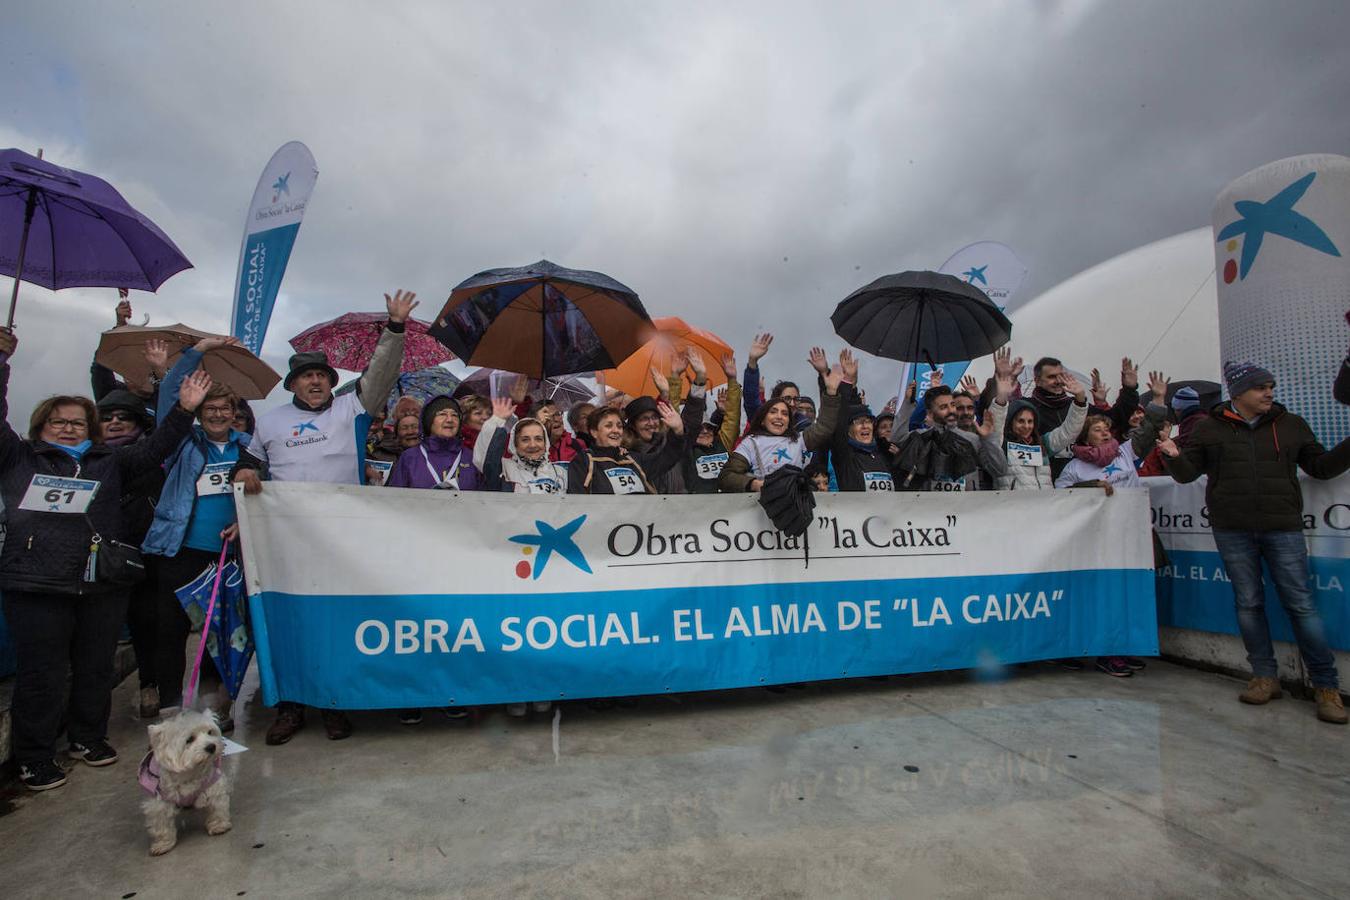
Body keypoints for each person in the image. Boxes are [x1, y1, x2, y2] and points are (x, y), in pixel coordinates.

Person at [0, 328, 209, 792]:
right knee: (43, 672)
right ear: (39, 427)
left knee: (94, 666)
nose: (69, 427)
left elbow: (157, 448)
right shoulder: (18, 459)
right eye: (58, 421)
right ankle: (34, 758)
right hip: (37, 584)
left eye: (77, 421)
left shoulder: (108, 463)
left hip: (100, 583)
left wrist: (184, 409)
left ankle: (87, 738)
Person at [233, 288, 415, 745]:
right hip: (286, 541)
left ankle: (336, 703)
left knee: (338, 621)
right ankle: (291, 705)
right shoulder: (269, 421)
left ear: (332, 382)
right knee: (290, 620)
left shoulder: (352, 409)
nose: (314, 382)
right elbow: (250, 466)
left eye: (321, 375)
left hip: (342, 541)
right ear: (292, 385)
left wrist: (394, 329)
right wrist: (243, 472)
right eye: (305, 376)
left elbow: (381, 374)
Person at [1158, 360, 1350, 724]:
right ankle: (1264, 675)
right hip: (1232, 530)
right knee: (1248, 603)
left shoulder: (1291, 425)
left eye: (1271, 386)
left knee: (1302, 605)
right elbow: (1186, 476)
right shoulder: (1211, 429)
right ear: (1238, 392)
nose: (1269, 392)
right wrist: (1172, 455)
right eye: (1260, 387)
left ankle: (1326, 685)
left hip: (1284, 528)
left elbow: (1320, 467)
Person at [141, 336, 249, 731]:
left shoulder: (249, 447)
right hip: (179, 551)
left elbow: (261, 493)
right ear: (200, 412)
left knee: (218, 631)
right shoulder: (180, 444)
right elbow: (171, 397)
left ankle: (212, 705)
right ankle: (171, 707)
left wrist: (246, 521)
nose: (218, 414)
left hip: (227, 556)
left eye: (225, 408)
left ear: (235, 413)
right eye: (210, 408)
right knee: (170, 629)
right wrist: (197, 351)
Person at [1055, 370, 1168, 679]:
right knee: (1103, 596)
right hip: (1097, 543)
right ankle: (1106, 651)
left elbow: (1148, 430)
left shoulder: (1126, 452)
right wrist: (1089, 489)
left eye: (1107, 429)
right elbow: (1059, 499)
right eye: (1097, 430)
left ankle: (1124, 645)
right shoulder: (1075, 468)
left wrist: (1157, 400)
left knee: (1131, 594)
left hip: (1132, 536)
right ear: (1084, 437)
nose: (1105, 433)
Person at [96, 346, 168, 720]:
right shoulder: (85, 459)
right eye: (106, 417)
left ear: (141, 423)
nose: (115, 423)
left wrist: (159, 377)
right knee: (94, 638)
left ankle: (149, 684)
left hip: (146, 553)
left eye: (124, 417)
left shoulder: (152, 452)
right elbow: (101, 378)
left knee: (146, 624)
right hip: (96, 561)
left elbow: (172, 420)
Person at [719, 356, 842, 493]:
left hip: (796, 506)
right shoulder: (750, 443)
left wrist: (831, 393)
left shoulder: (799, 440)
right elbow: (727, 477)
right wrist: (754, 484)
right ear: (762, 419)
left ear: (789, 420)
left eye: (784, 414)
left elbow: (825, 426)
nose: (779, 417)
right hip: (761, 506)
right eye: (773, 412)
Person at [1022, 354, 1139, 479]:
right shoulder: (1027, 409)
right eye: (1051, 377)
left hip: (1081, 480)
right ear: (1037, 381)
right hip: (1044, 482)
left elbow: (1115, 419)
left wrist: (1129, 390)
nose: (1058, 381)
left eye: (1061, 376)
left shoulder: (1079, 404)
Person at [986, 369, 1089, 490]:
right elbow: (994, 431)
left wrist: (1080, 400)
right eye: (1020, 421)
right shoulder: (1002, 445)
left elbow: (1068, 432)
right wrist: (1001, 397)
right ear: (1010, 422)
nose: (1026, 426)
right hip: (1014, 505)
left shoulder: (1042, 444)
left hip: (1044, 505)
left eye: (1030, 421)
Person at [890, 385, 1004, 492]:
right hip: (930, 506)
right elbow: (897, 438)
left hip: (967, 507)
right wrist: (907, 404)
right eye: (943, 407)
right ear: (930, 413)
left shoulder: (972, 439)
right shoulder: (921, 437)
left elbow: (999, 470)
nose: (951, 411)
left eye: (953, 405)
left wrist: (988, 439)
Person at [568, 400, 693, 495]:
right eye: (608, 426)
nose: (615, 430)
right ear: (594, 432)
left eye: (619, 426)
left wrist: (678, 431)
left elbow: (667, 458)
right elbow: (577, 502)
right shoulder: (583, 462)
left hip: (641, 527)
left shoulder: (633, 459)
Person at [388, 395, 480, 490]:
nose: (450, 420)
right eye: (442, 414)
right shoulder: (409, 458)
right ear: (429, 421)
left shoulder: (471, 458)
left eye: (454, 415)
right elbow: (394, 500)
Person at [682, 353, 742, 493]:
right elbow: (688, 417)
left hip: (733, 507)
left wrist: (732, 380)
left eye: (708, 427)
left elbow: (732, 417)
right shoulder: (685, 450)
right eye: (699, 428)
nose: (704, 431)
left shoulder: (723, 442)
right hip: (699, 508)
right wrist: (698, 380)